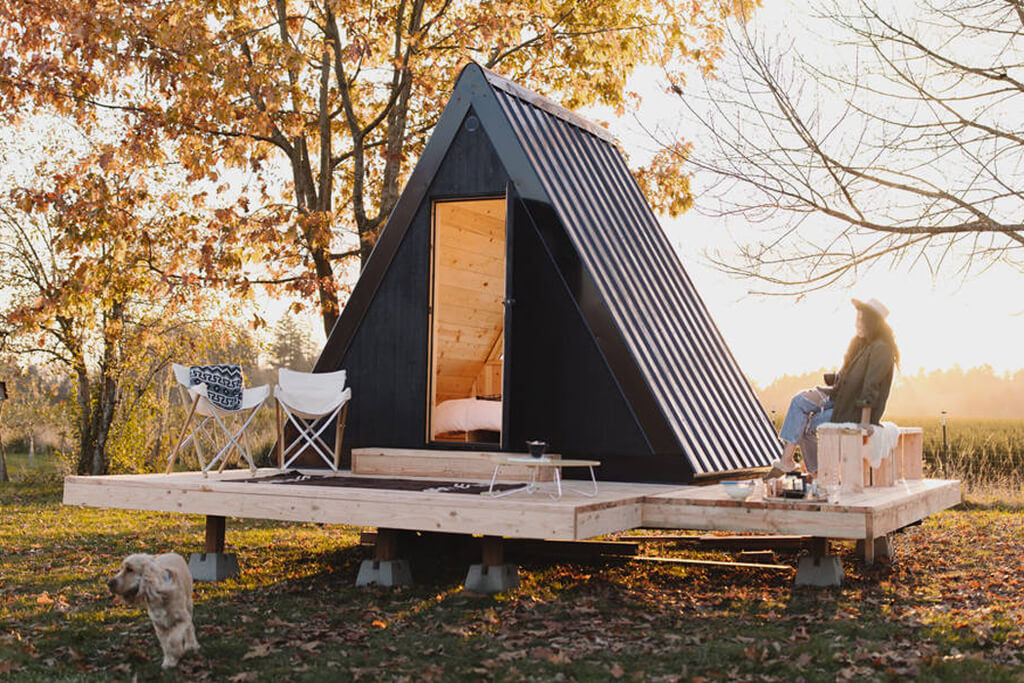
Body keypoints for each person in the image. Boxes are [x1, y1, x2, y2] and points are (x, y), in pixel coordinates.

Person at [766, 297, 899, 478]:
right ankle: (787, 461)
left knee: (805, 425)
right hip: (839, 398)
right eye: (856, 319)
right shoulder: (858, 343)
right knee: (798, 401)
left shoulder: (882, 349)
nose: (856, 324)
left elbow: (871, 387)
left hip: (856, 410)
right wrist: (833, 382)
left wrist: (865, 422)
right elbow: (848, 376)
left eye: (860, 321)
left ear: (872, 322)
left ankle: (818, 474)